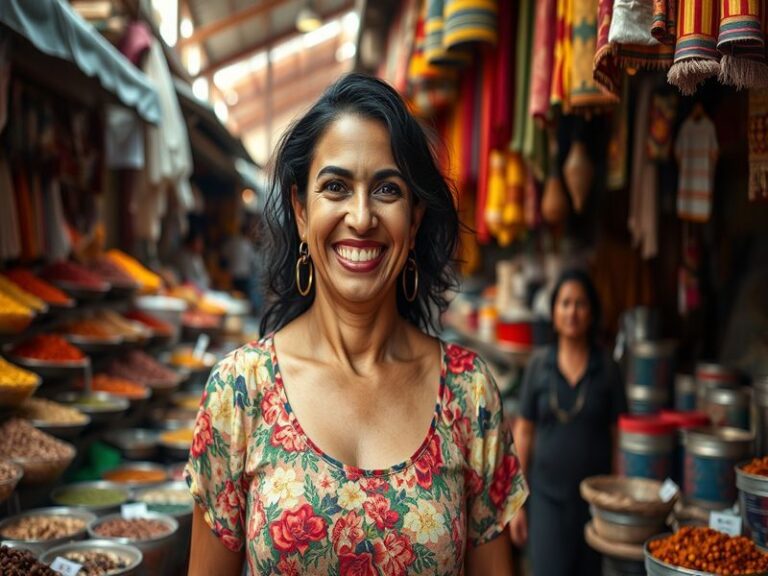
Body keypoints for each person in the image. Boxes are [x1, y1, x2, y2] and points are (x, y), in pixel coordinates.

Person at [185, 73, 528, 575]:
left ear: (413, 221)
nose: (362, 216)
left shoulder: (469, 394)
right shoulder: (240, 391)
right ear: (301, 212)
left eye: (387, 189)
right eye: (336, 187)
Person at [509, 268, 627, 576]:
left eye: (580, 304)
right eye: (565, 303)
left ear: (592, 312)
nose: (572, 312)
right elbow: (524, 433)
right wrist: (518, 503)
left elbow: (619, 438)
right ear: (554, 312)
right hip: (547, 500)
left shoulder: (608, 369)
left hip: (595, 503)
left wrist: (619, 499)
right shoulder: (538, 365)